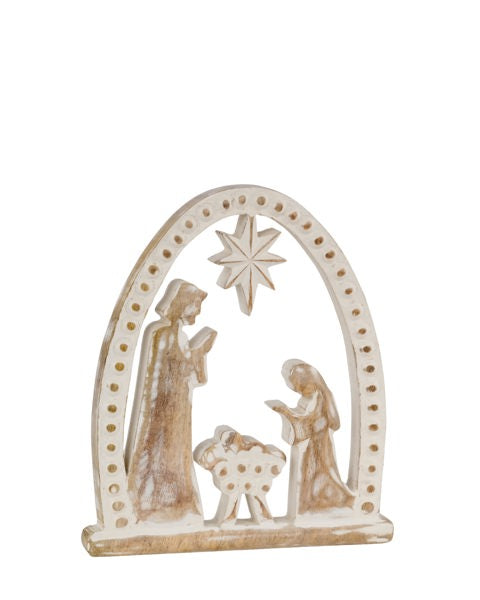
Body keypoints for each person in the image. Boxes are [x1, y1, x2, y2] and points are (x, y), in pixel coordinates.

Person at [126, 279, 217, 523]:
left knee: (176, 455)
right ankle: (152, 503)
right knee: (159, 453)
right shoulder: (163, 334)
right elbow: (165, 373)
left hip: (178, 408)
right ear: (182, 304)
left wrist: (199, 353)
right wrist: (198, 352)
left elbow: (194, 376)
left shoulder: (180, 336)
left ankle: (178, 502)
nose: (197, 311)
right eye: (195, 305)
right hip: (164, 409)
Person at [266, 359, 354, 517]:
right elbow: (305, 418)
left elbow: (320, 422)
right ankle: (311, 502)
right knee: (308, 474)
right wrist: (287, 413)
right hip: (310, 446)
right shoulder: (307, 398)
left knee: (320, 474)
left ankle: (325, 501)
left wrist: (286, 412)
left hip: (319, 445)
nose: (296, 389)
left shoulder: (319, 397)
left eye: (298, 385)